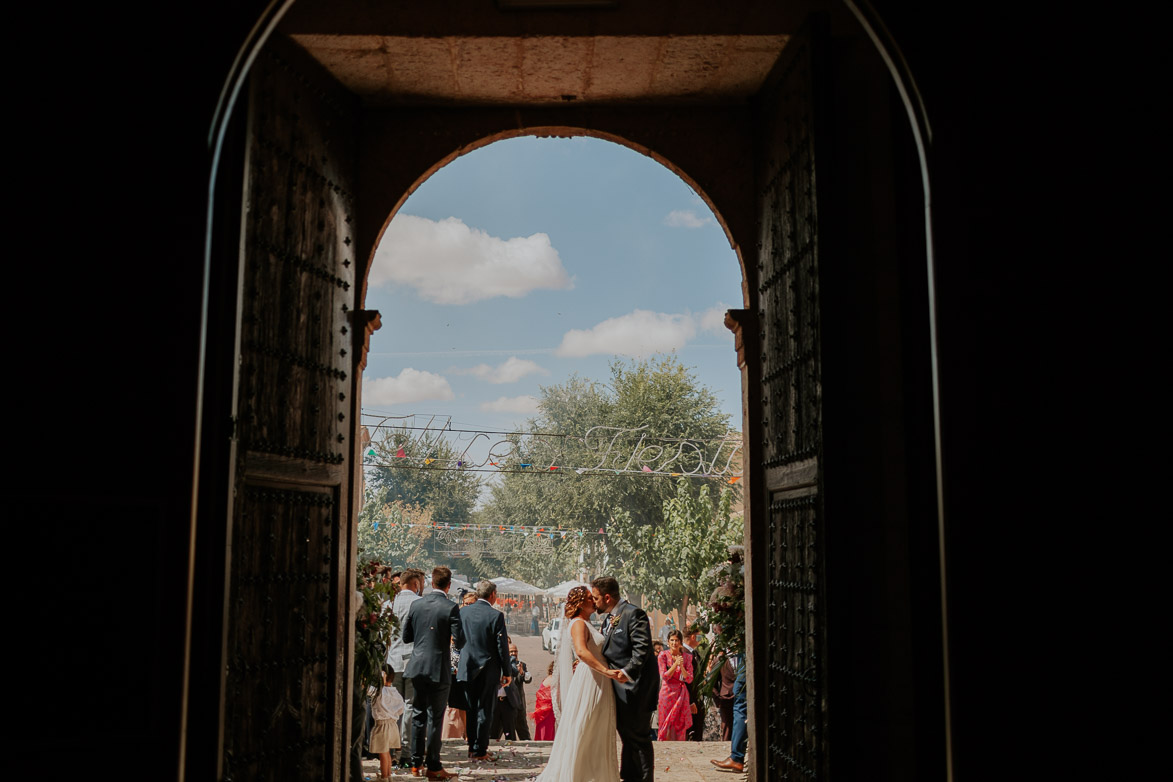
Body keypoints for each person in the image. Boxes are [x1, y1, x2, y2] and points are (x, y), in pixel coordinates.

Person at [536, 586, 624, 782]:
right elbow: (582, 652)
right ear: (581, 603)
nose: (594, 600)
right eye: (590, 598)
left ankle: (594, 772)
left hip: (598, 678)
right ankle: (580, 774)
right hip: (591, 678)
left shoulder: (585, 622)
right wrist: (606, 671)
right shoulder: (578, 624)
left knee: (596, 726)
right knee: (587, 725)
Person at [592, 576, 659, 782]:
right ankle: (629, 777)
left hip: (635, 688)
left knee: (639, 738)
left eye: (595, 598)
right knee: (628, 737)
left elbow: (642, 649)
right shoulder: (610, 617)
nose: (593, 602)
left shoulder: (634, 614)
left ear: (607, 597)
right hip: (620, 689)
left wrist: (627, 672)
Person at [402, 566, 463, 780]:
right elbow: (460, 640)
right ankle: (434, 765)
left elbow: (406, 636)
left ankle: (415, 764)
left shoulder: (416, 605)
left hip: (417, 666)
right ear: (448, 585)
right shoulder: (451, 607)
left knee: (418, 715)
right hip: (438, 667)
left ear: (431, 583)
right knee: (435, 718)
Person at [457, 580, 512, 762]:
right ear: (493, 595)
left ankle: (472, 747)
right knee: (485, 710)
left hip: (466, 666)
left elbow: (457, 638)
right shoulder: (496, 616)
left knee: (470, 708)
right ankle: (480, 749)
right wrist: (507, 671)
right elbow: (501, 646)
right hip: (488, 668)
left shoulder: (463, 611)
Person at [386, 568, 424, 768]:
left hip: (392, 661)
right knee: (410, 705)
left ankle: (391, 749)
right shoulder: (419, 604)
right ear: (416, 584)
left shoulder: (388, 603)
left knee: (392, 707)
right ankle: (406, 751)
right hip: (413, 661)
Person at [656, 629, 693, 740]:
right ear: (668, 642)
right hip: (667, 693)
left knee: (680, 723)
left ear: (680, 642)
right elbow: (664, 676)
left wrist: (681, 666)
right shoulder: (663, 656)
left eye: (676, 640)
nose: (674, 643)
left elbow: (689, 679)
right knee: (666, 723)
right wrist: (675, 664)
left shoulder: (687, 657)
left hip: (680, 693)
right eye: (672, 640)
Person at [370, 667, 406, 782]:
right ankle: (389, 775)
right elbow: (401, 708)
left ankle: (384, 777)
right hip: (392, 725)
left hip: (382, 725)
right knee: (388, 753)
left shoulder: (379, 692)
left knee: (383, 754)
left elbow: (366, 689)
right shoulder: (395, 693)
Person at [682, 626, 706, 741]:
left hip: (697, 696)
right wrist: (690, 701)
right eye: (699, 636)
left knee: (698, 727)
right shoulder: (684, 653)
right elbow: (685, 681)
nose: (700, 639)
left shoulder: (694, 653)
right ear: (692, 637)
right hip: (689, 698)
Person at [531, 660, 556, 740]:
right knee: (546, 733)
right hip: (546, 712)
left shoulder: (549, 678)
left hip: (544, 711)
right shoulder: (552, 680)